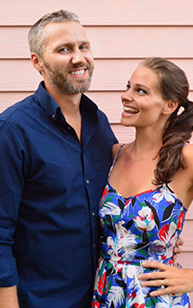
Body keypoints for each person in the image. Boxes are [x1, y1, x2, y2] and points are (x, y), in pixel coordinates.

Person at [0, 10, 118, 308]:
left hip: (103, 295)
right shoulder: (13, 131)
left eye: (83, 47)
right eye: (64, 49)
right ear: (37, 62)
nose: (79, 58)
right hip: (42, 300)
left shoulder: (98, 122)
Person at [91, 57, 193, 307]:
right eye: (128, 87)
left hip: (155, 299)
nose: (126, 96)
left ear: (169, 105)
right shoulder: (114, 155)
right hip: (106, 295)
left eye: (140, 91)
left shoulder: (186, 159)